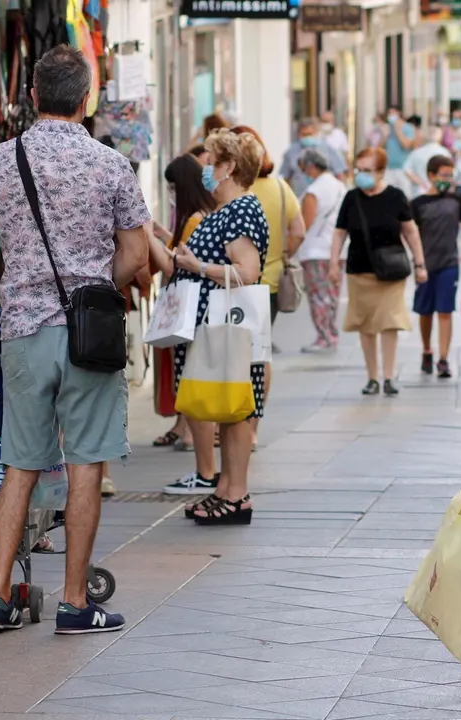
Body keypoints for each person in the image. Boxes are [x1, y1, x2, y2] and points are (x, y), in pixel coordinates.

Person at [0, 45, 149, 634]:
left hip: (20, 329)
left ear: (34, 97)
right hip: (88, 337)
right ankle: (75, 602)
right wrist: (94, 288)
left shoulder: (1, 160)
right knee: (87, 465)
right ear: (87, 98)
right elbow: (136, 254)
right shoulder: (111, 164)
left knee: (17, 465)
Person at [149, 128, 270, 525]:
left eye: (210, 163)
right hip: (215, 330)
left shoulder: (241, 211)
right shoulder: (225, 212)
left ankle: (237, 494)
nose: (204, 170)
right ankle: (226, 489)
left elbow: (247, 272)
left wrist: (196, 266)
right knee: (228, 412)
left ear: (229, 167)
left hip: (228, 332)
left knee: (235, 413)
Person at [329, 147, 427, 396]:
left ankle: (389, 376)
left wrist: (420, 263)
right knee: (365, 325)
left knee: (389, 322)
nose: (361, 175)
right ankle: (372, 377)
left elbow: (410, 231)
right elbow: (340, 232)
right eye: (358, 169)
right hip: (359, 270)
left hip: (391, 272)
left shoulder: (395, 196)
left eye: (367, 170)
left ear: (381, 171)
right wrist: (333, 263)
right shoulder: (352, 198)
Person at [235, 124, 304, 447]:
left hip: (234, 284)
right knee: (260, 356)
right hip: (270, 282)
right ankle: (253, 425)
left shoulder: (234, 193)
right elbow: (299, 231)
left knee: (234, 356)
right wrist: (281, 255)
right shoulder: (280, 188)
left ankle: (233, 422)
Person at [149, 154, 217, 454]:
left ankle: (192, 436)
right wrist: (165, 234)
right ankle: (191, 434)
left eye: (173, 187)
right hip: (201, 309)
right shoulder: (203, 214)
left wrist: (147, 235)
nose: (171, 193)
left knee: (188, 373)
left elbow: (174, 263)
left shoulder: (193, 219)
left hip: (189, 310)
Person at [412, 155, 461, 377]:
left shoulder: (456, 202)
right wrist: (416, 263)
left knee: (445, 311)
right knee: (425, 312)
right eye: (444, 175)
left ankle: (443, 358)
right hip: (424, 265)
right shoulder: (417, 204)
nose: (448, 180)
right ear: (431, 176)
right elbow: (409, 234)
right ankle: (427, 350)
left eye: (450, 176)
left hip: (449, 264)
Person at [296, 148, 347, 353]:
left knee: (318, 295)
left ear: (311, 167)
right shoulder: (340, 187)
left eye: (303, 169)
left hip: (316, 250)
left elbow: (304, 224)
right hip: (338, 250)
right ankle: (331, 334)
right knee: (332, 295)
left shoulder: (313, 192)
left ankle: (323, 337)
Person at [281, 117, 349, 199]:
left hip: (325, 199)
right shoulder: (291, 151)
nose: (307, 137)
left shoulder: (327, 149)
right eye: (304, 134)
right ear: (299, 134)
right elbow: (285, 177)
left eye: (310, 134)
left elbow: (340, 173)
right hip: (300, 198)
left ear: (316, 133)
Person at [403, 127, 452, 198]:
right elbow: (450, 174)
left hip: (418, 192)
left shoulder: (416, 152)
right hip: (439, 193)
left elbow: (406, 169)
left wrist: (421, 183)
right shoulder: (445, 153)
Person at [380, 106, 417, 195]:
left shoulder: (408, 128)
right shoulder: (387, 128)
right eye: (389, 113)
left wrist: (398, 130)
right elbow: (379, 149)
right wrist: (384, 136)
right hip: (388, 168)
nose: (391, 116)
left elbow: (406, 145)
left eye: (393, 113)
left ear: (399, 114)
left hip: (403, 168)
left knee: (405, 195)